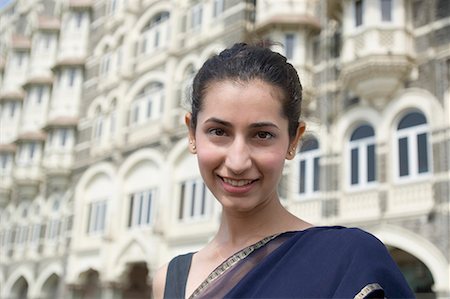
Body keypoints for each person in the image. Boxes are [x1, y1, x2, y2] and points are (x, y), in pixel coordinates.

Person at [153, 42, 414, 299]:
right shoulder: (169, 281)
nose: (237, 161)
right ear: (192, 133)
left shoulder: (348, 261)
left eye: (262, 135)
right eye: (218, 132)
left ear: (293, 141)